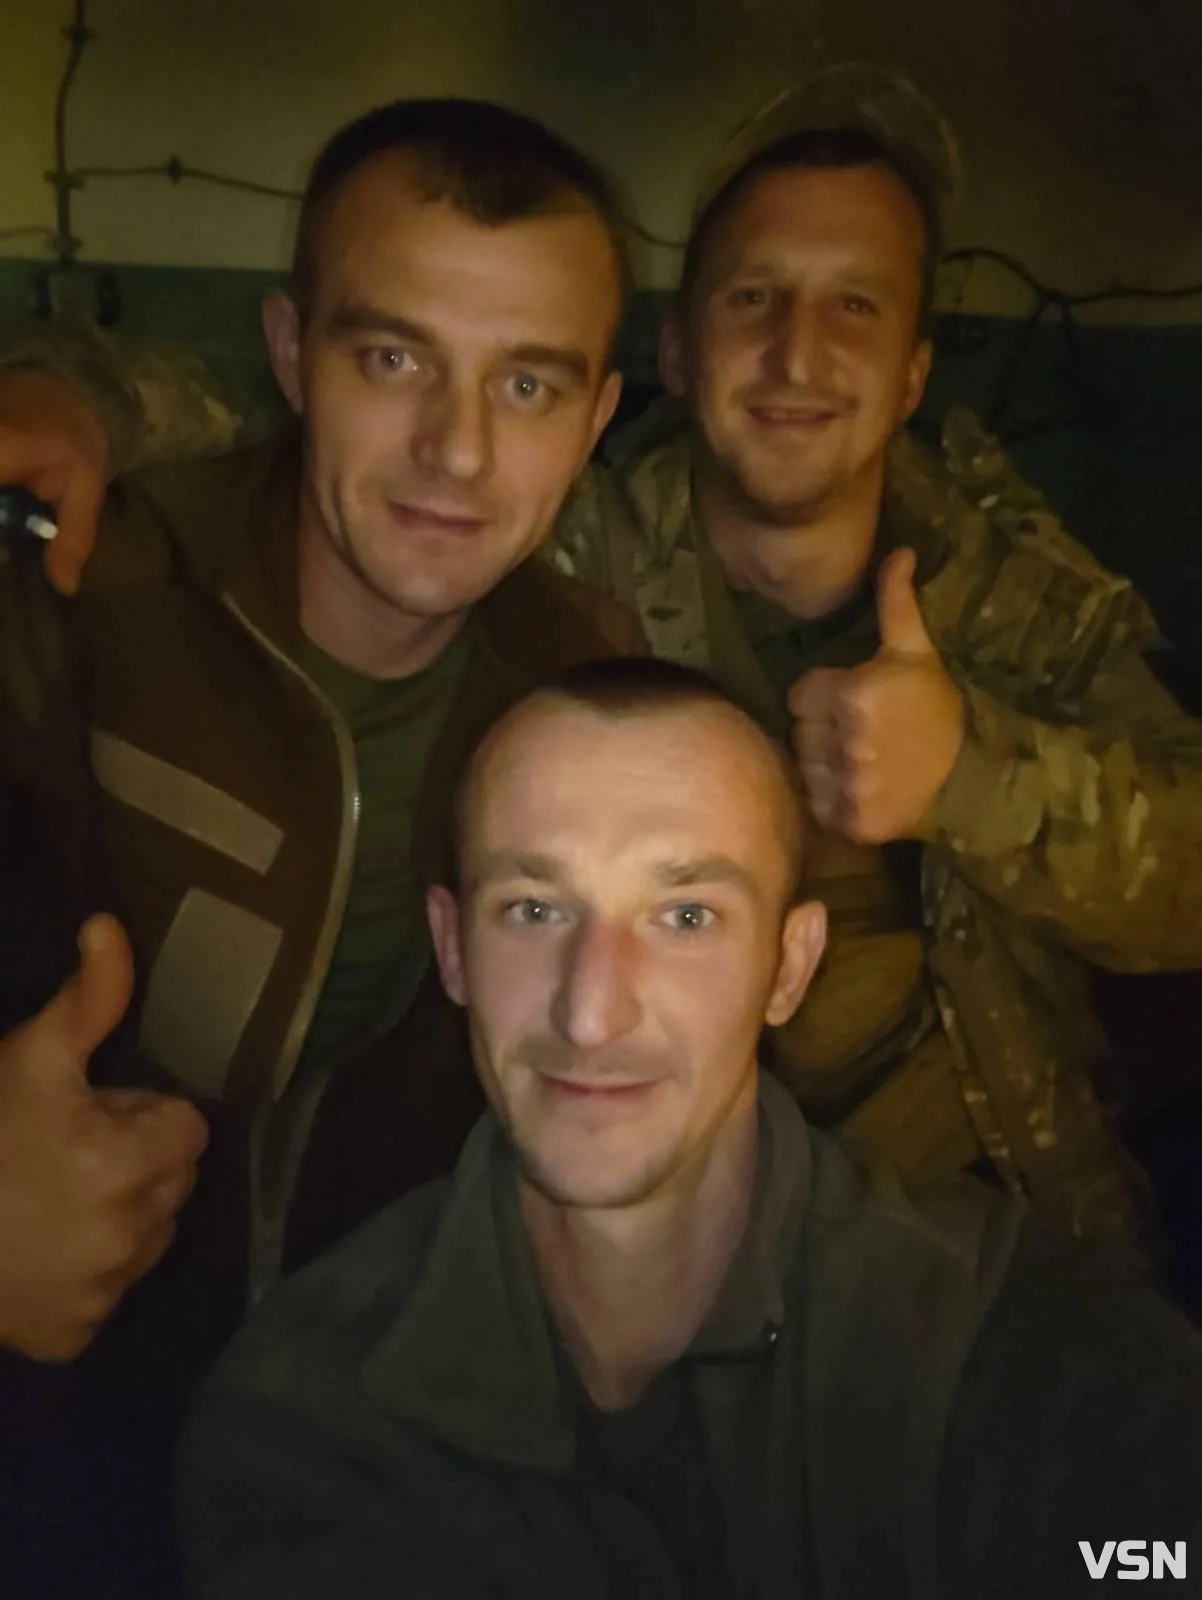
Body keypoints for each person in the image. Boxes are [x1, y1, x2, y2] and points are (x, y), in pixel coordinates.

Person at [181, 658, 1202, 1600]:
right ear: (451, 950)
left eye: (685, 918)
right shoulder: (302, 1422)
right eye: (533, 909)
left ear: (789, 967)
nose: (591, 1013)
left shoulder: (1030, 1361)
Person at [0, 97, 638, 1595]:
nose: (456, 451)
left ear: (596, 420)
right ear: (291, 355)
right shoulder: (86, 587)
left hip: (375, 1440)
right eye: (393, 358)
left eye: (526, 384)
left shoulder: (588, 696)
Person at [549, 69, 1202, 1256]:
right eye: (754, 297)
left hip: (1005, 1231)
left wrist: (966, 776)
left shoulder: (1006, 588)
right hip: (657, 1244)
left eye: (854, 305)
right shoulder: (560, 565)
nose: (796, 356)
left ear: (910, 376)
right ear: (679, 349)